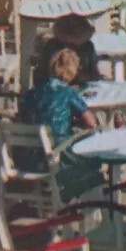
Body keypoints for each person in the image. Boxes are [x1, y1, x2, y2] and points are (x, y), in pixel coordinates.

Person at [17, 48, 101, 195]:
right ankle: (79, 193)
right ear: (72, 71)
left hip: (32, 154)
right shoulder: (69, 93)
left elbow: (24, 116)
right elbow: (91, 123)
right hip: (58, 152)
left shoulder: (32, 92)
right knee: (91, 145)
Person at [34, 12, 103, 88]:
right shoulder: (52, 46)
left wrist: (84, 77)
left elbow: (95, 74)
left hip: (84, 89)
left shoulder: (88, 47)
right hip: (55, 89)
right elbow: (41, 74)